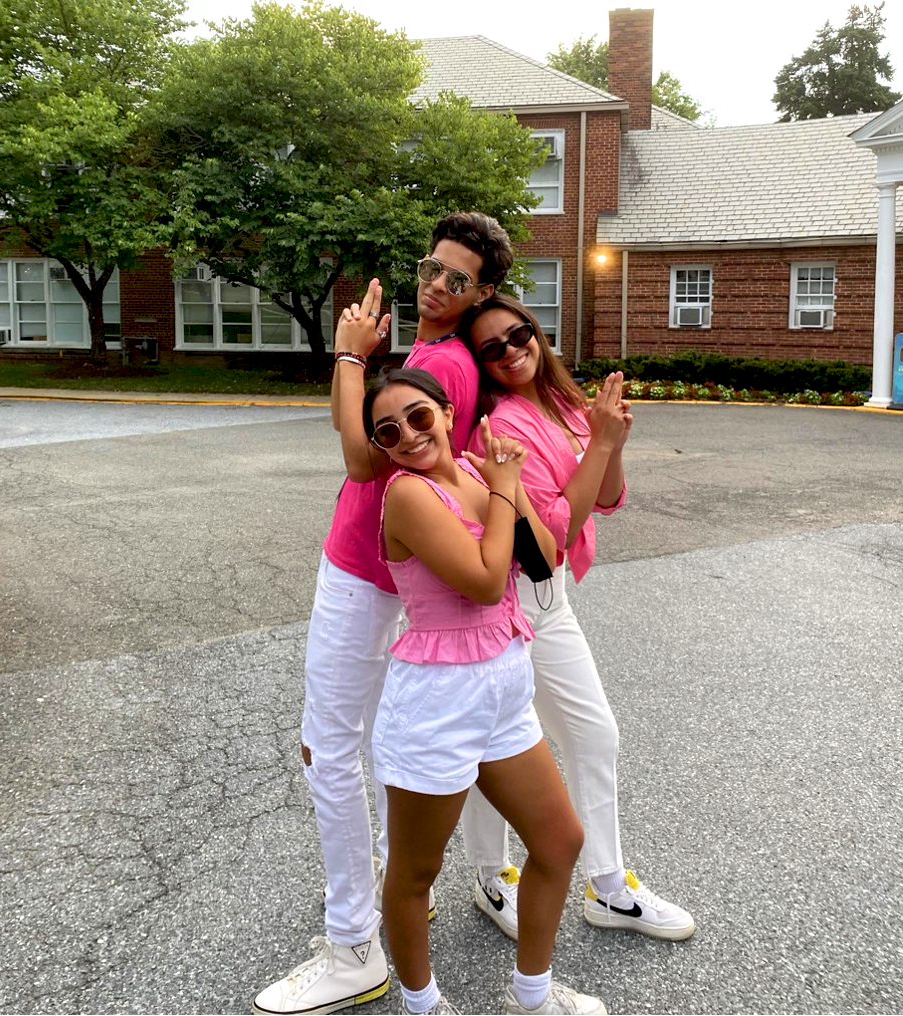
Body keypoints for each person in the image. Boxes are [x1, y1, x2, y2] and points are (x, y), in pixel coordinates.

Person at [253, 212, 516, 1016]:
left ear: (483, 293)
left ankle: (353, 949)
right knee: (364, 744)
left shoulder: (440, 361)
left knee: (328, 748)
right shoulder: (444, 355)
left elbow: (361, 454)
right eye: (431, 268)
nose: (435, 285)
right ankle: (390, 895)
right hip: (383, 569)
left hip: (363, 571)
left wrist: (348, 356)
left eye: (456, 279)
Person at [363, 366, 605, 1016]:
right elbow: (483, 581)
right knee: (415, 873)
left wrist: (510, 485)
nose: (409, 435)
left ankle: (532, 997)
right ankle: (423, 1006)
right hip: (436, 704)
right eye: (388, 432)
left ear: (447, 413)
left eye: (418, 416)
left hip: (503, 690)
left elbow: (541, 556)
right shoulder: (407, 496)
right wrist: (503, 488)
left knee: (559, 842)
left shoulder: (478, 472)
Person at [458, 293, 695, 942]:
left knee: (582, 735)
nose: (511, 352)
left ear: (535, 331)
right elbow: (556, 531)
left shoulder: (561, 403)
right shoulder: (501, 427)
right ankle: (497, 876)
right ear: (480, 363)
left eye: (517, 335)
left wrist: (610, 442)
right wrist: (601, 442)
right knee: (501, 742)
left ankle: (604, 888)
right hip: (510, 595)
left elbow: (607, 498)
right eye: (491, 349)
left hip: (548, 596)